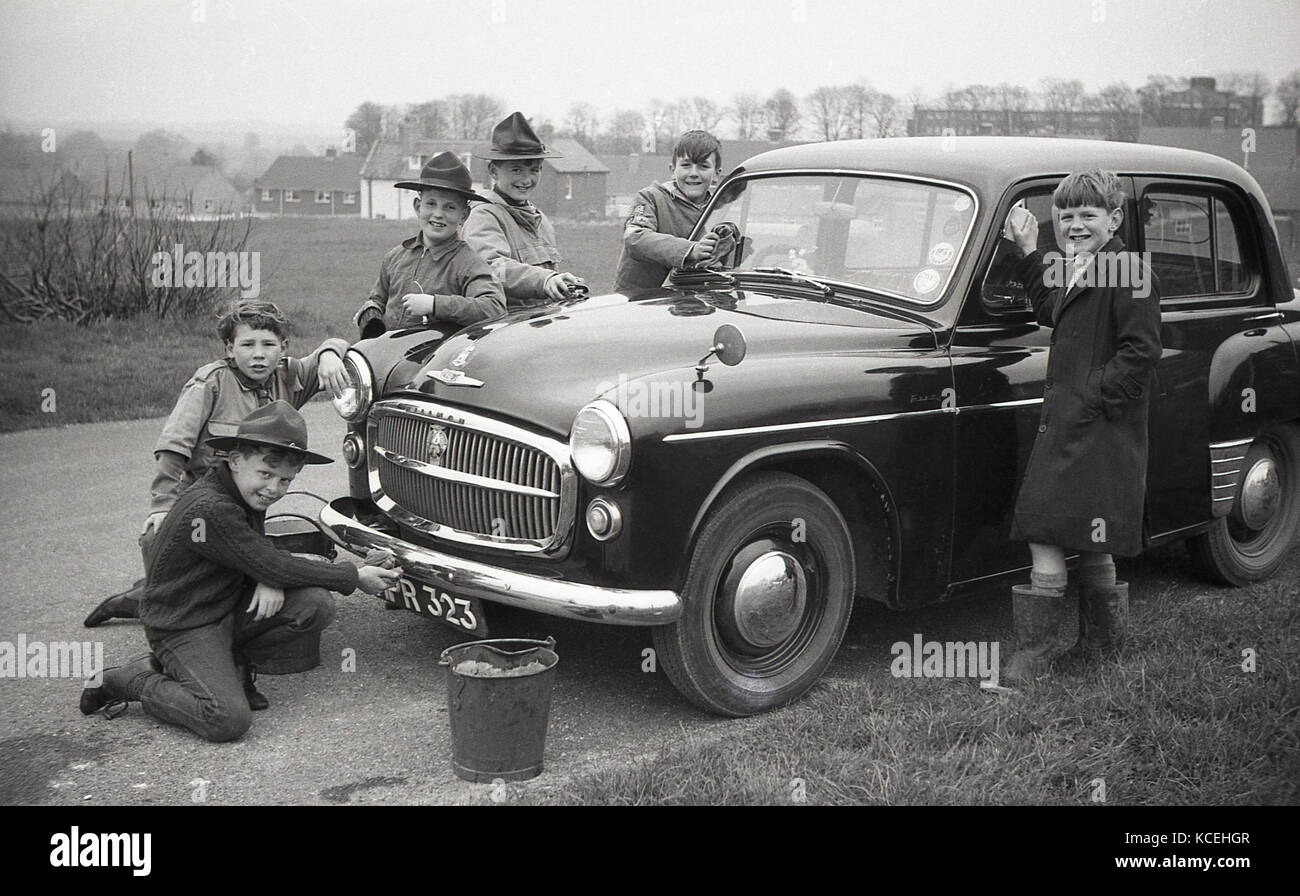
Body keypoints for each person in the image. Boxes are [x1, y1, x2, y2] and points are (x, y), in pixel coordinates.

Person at [80, 401, 402, 741]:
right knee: (226, 719)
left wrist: (266, 576)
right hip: (184, 625)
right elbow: (268, 559)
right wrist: (354, 576)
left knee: (314, 604)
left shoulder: (242, 490)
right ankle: (128, 679)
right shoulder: (211, 508)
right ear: (235, 460)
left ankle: (233, 664)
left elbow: (256, 553)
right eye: (266, 474)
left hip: (224, 604)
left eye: (285, 480)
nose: (274, 489)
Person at [84, 300, 350, 628]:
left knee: (234, 577)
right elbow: (174, 446)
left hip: (248, 507)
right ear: (229, 347)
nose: (259, 354)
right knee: (173, 556)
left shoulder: (290, 375)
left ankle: (222, 617)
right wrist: (162, 505)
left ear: (283, 348)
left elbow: (338, 342)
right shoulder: (210, 383)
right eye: (247, 345)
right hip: (198, 499)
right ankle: (140, 601)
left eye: (268, 345)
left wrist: (328, 356)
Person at [1001, 169, 1162, 682]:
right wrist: (1028, 250)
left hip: (1097, 427)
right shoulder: (1077, 266)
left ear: (1113, 219)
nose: (1074, 225)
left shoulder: (1129, 270)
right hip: (1077, 424)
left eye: (1087, 215)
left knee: (1043, 526)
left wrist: (1091, 397)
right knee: (1090, 534)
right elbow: (1053, 310)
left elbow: (1141, 353)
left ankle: (1035, 658)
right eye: (1064, 215)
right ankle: (1102, 647)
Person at [354, 151, 505, 338]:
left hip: (434, 361)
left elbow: (494, 308)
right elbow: (377, 300)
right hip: (389, 358)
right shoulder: (395, 257)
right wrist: (371, 315)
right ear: (418, 207)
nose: (438, 214)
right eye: (431, 204)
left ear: (464, 215)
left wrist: (435, 305)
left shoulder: (470, 264)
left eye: (449, 207)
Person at [462, 111, 585, 306]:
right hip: (503, 327)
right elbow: (491, 267)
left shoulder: (540, 219)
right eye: (516, 170)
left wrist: (562, 286)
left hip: (539, 323)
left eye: (534, 170)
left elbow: (548, 277)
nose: (526, 180)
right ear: (493, 171)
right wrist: (544, 280)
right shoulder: (484, 215)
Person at [614, 129, 725, 294]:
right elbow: (634, 237)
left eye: (703, 166)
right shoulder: (650, 197)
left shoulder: (720, 208)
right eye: (686, 165)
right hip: (640, 301)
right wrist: (690, 250)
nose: (693, 174)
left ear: (716, 174)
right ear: (673, 170)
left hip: (695, 299)